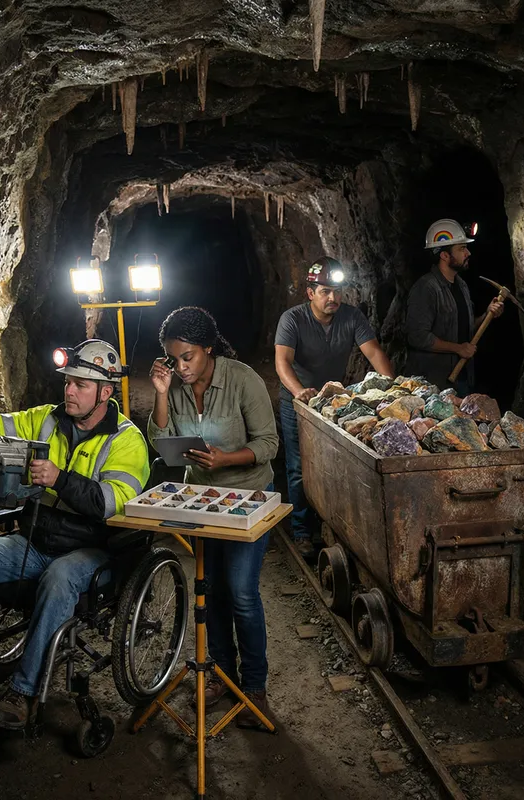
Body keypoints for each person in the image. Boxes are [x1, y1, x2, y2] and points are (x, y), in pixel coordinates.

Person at [0, 340, 150, 730]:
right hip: (37, 540)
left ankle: (23, 694)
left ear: (105, 393)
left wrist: (60, 479)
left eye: (80, 384)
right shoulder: (46, 419)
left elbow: (111, 502)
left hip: (92, 551)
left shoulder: (126, 441)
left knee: (60, 578)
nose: (70, 390)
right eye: (68, 382)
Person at [148, 307, 279, 728]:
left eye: (188, 357)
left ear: (207, 348)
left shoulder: (242, 380)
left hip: (250, 497)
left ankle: (254, 686)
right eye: (174, 359)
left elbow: (269, 443)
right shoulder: (176, 384)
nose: (181, 366)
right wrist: (163, 392)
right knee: (210, 589)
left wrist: (226, 459)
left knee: (241, 592)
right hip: (204, 499)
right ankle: (222, 672)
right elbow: (162, 443)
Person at [274, 257, 394, 559]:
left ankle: (332, 524)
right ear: (310, 292)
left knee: (332, 462)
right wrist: (299, 391)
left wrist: (393, 388)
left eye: (337, 291)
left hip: (331, 400)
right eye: (326, 291)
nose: (333, 298)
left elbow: (374, 352)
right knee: (299, 464)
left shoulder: (352, 317)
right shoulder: (292, 319)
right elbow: (282, 362)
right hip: (297, 399)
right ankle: (302, 530)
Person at [405, 219, 505, 396]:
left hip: (463, 379)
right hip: (433, 384)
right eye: (461, 248)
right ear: (444, 255)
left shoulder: (461, 286)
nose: (468, 253)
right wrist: (458, 348)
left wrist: (486, 315)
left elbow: (465, 328)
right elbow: (418, 337)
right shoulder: (426, 288)